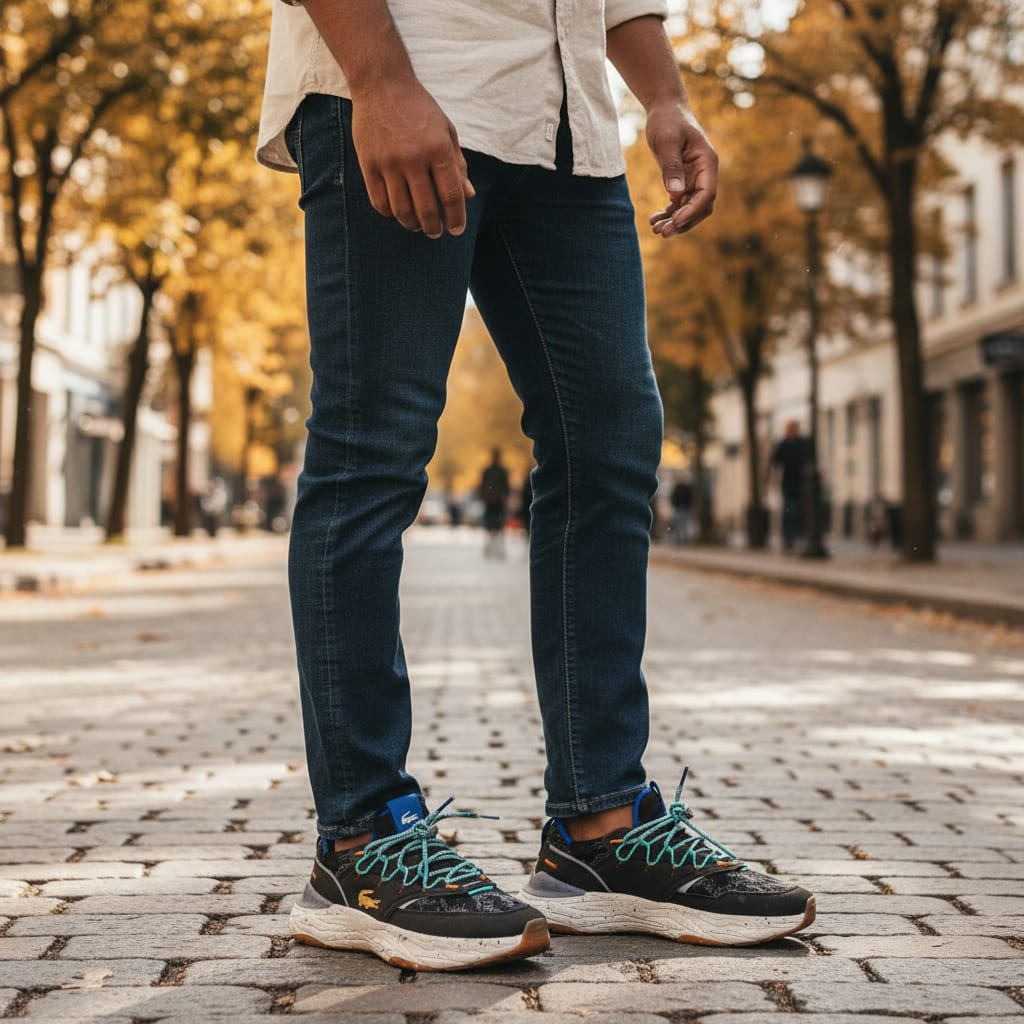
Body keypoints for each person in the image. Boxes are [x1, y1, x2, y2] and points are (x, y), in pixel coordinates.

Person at [258, 0, 815, 971]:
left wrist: (663, 94)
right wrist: (380, 78)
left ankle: (598, 831)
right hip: (410, 76)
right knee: (372, 448)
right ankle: (359, 840)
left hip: (567, 124)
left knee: (611, 439)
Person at [769, 420, 809, 554]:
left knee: (798, 512)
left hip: (800, 483)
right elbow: (775, 463)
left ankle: (796, 539)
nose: (793, 431)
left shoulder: (801, 444)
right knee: (789, 512)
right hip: (787, 483)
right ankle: (788, 540)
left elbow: (807, 461)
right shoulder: (783, 445)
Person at [479, 447, 511, 558]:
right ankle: (497, 548)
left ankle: (490, 547)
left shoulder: (487, 471)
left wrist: (483, 497)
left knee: (489, 524)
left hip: (490, 501)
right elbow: (506, 487)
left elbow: (482, 486)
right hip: (498, 501)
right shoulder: (502, 471)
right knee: (498, 524)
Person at [669, 474, 694, 545]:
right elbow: (673, 498)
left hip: (684, 508)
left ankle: (682, 540)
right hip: (680, 508)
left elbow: (689, 498)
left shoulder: (685, 488)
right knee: (680, 525)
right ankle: (680, 540)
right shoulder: (678, 488)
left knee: (682, 525)